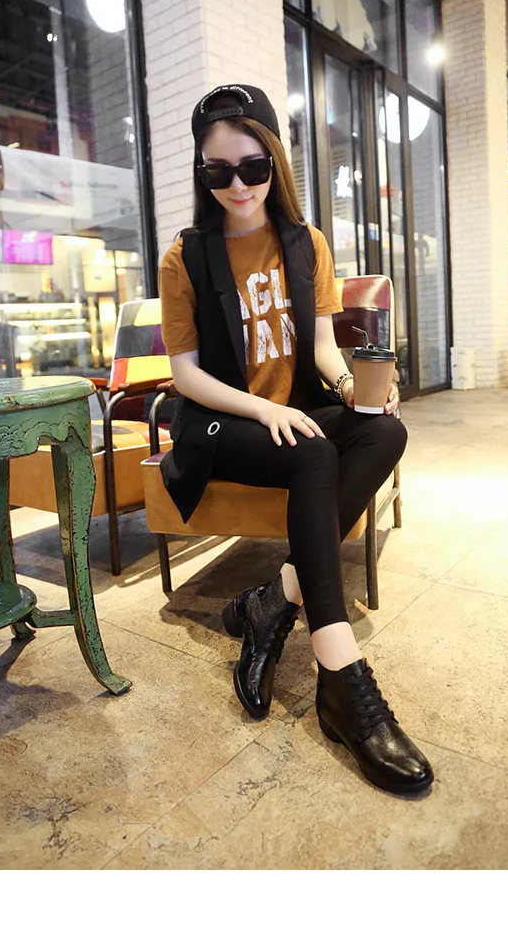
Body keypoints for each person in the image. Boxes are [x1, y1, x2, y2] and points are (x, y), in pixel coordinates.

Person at [158, 84, 433, 796]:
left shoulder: (305, 244)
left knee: (384, 430)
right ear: (202, 174)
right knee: (312, 449)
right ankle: (341, 674)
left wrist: (352, 390)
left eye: (252, 167)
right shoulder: (185, 256)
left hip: (296, 411)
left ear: (275, 162)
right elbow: (185, 374)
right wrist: (260, 408)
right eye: (218, 172)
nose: (238, 185)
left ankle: (274, 597)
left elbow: (321, 348)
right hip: (221, 423)